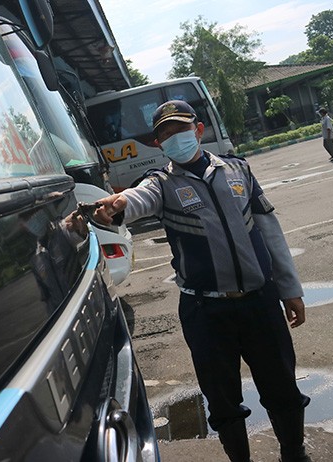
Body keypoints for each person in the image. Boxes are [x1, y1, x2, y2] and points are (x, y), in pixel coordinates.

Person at [91, 100, 312, 462]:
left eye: (181, 129)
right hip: (205, 310)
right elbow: (137, 200)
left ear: (197, 129)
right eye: (165, 134)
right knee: (223, 400)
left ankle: (294, 453)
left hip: (260, 301)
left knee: (282, 388)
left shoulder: (239, 170)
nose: (175, 137)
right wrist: (118, 205)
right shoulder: (160, 183)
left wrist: (290, 290)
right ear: (158, 144)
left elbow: (271, 231)